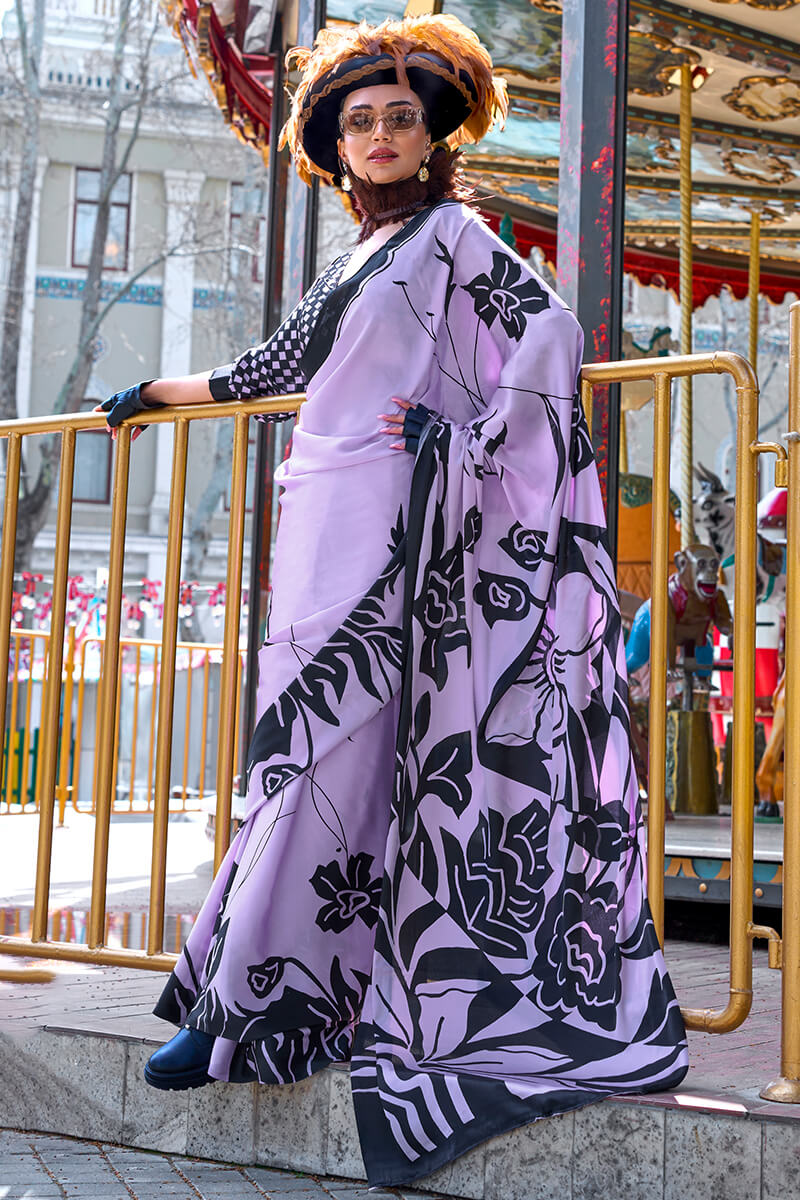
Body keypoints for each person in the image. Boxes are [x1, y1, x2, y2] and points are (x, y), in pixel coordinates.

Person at [99, 14, 688, 1190]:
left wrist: (456, 437)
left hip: (408, 539)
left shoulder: (457, 239)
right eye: (357, 121)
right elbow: (282, 367)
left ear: (433, 139)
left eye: (399, 121)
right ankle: (255, 1010)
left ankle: (232, 1017)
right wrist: (158, 391)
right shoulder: (357, 256)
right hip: (323, 531)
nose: (377, 136)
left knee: (333, 765)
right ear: (335, 142)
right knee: (298, 762)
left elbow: (549, 341)